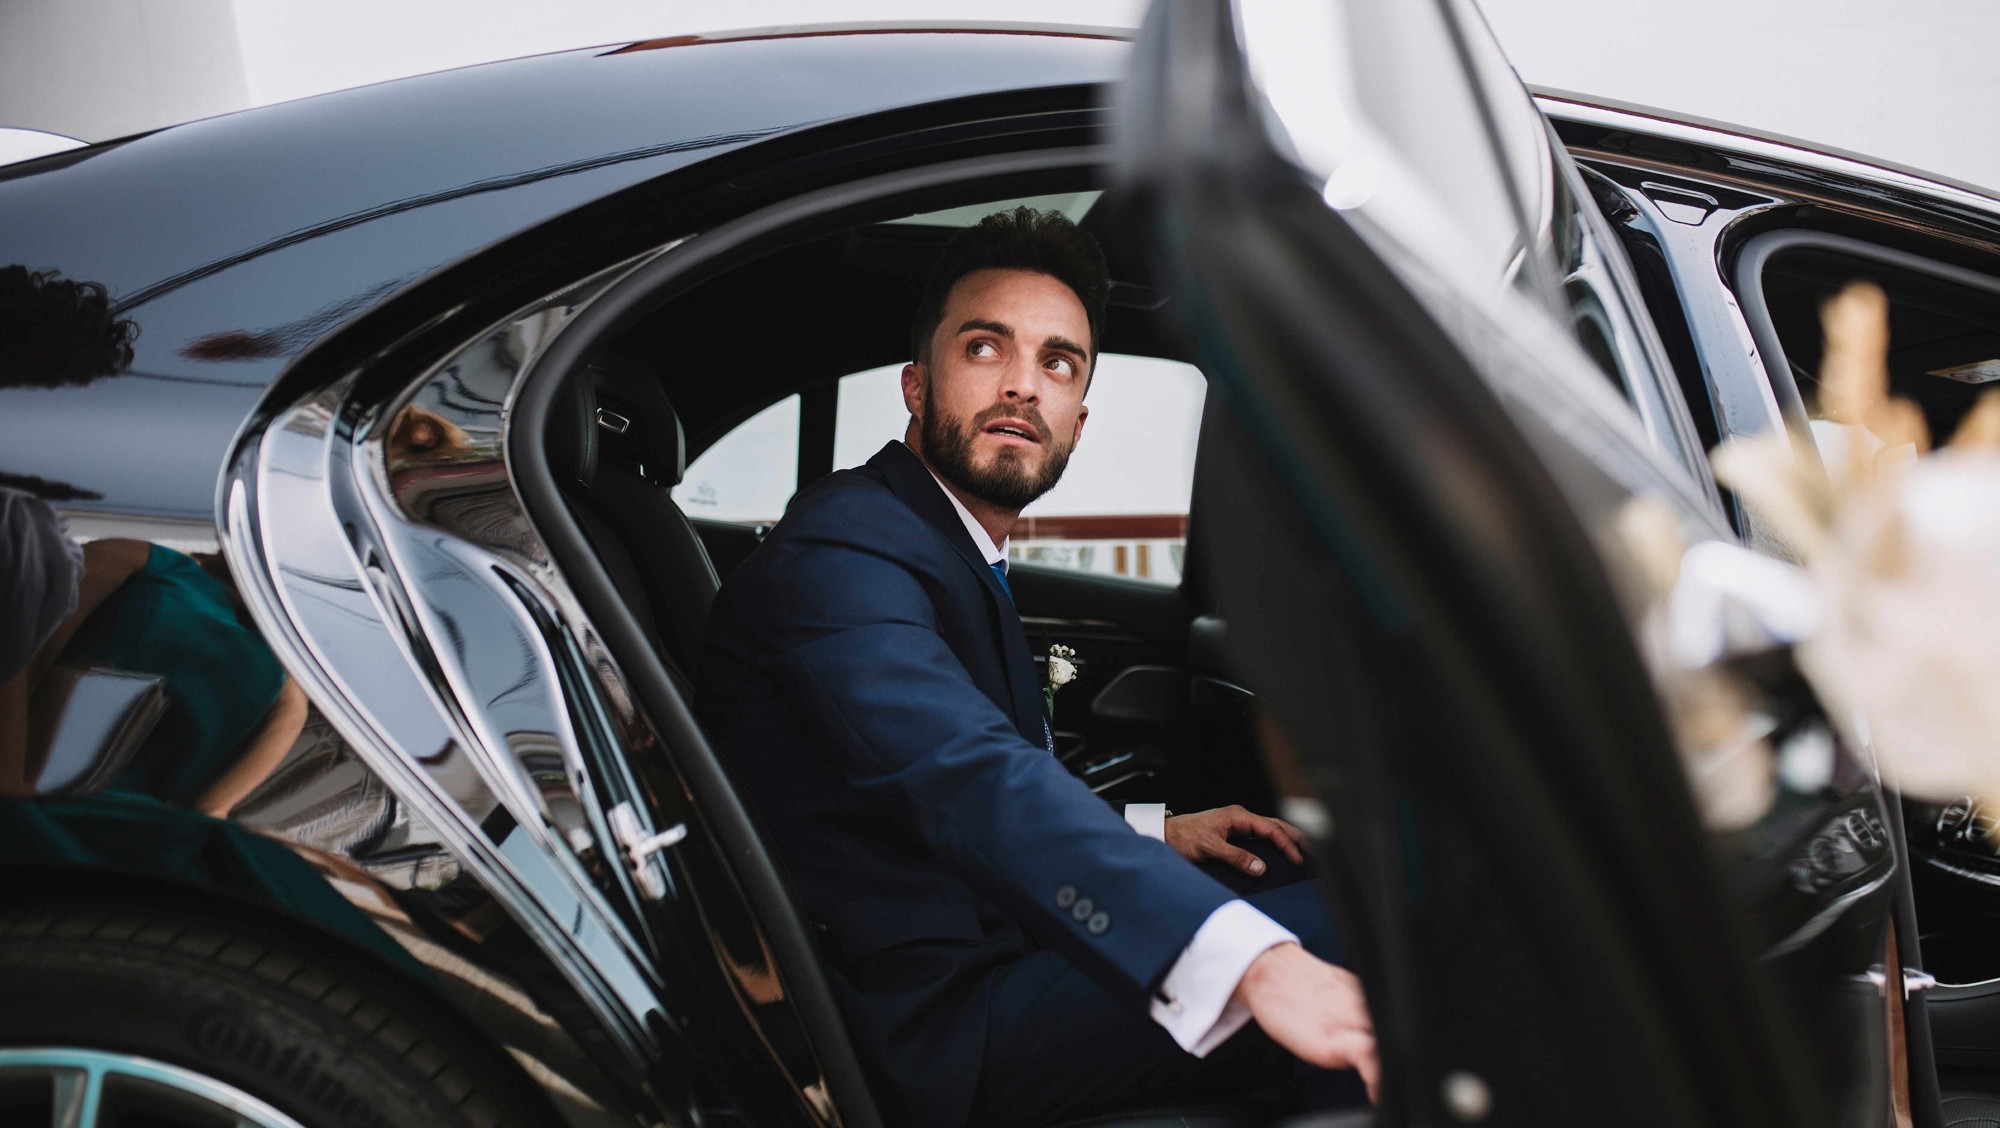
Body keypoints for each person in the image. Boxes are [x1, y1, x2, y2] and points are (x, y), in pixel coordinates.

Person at [701, 207, 1376, 1127]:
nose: (1023, 385)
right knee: (1379, 938)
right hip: (935, 1028)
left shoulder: (942, 543)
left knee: (1325, 903)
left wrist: (1154, 833)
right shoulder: (844, 549)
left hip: (987, 951)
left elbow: (986, 767)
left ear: (1079, 419)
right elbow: (965, 773)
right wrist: (1255, 965)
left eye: (1057, 363)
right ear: (915, 384)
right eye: (985, 349)